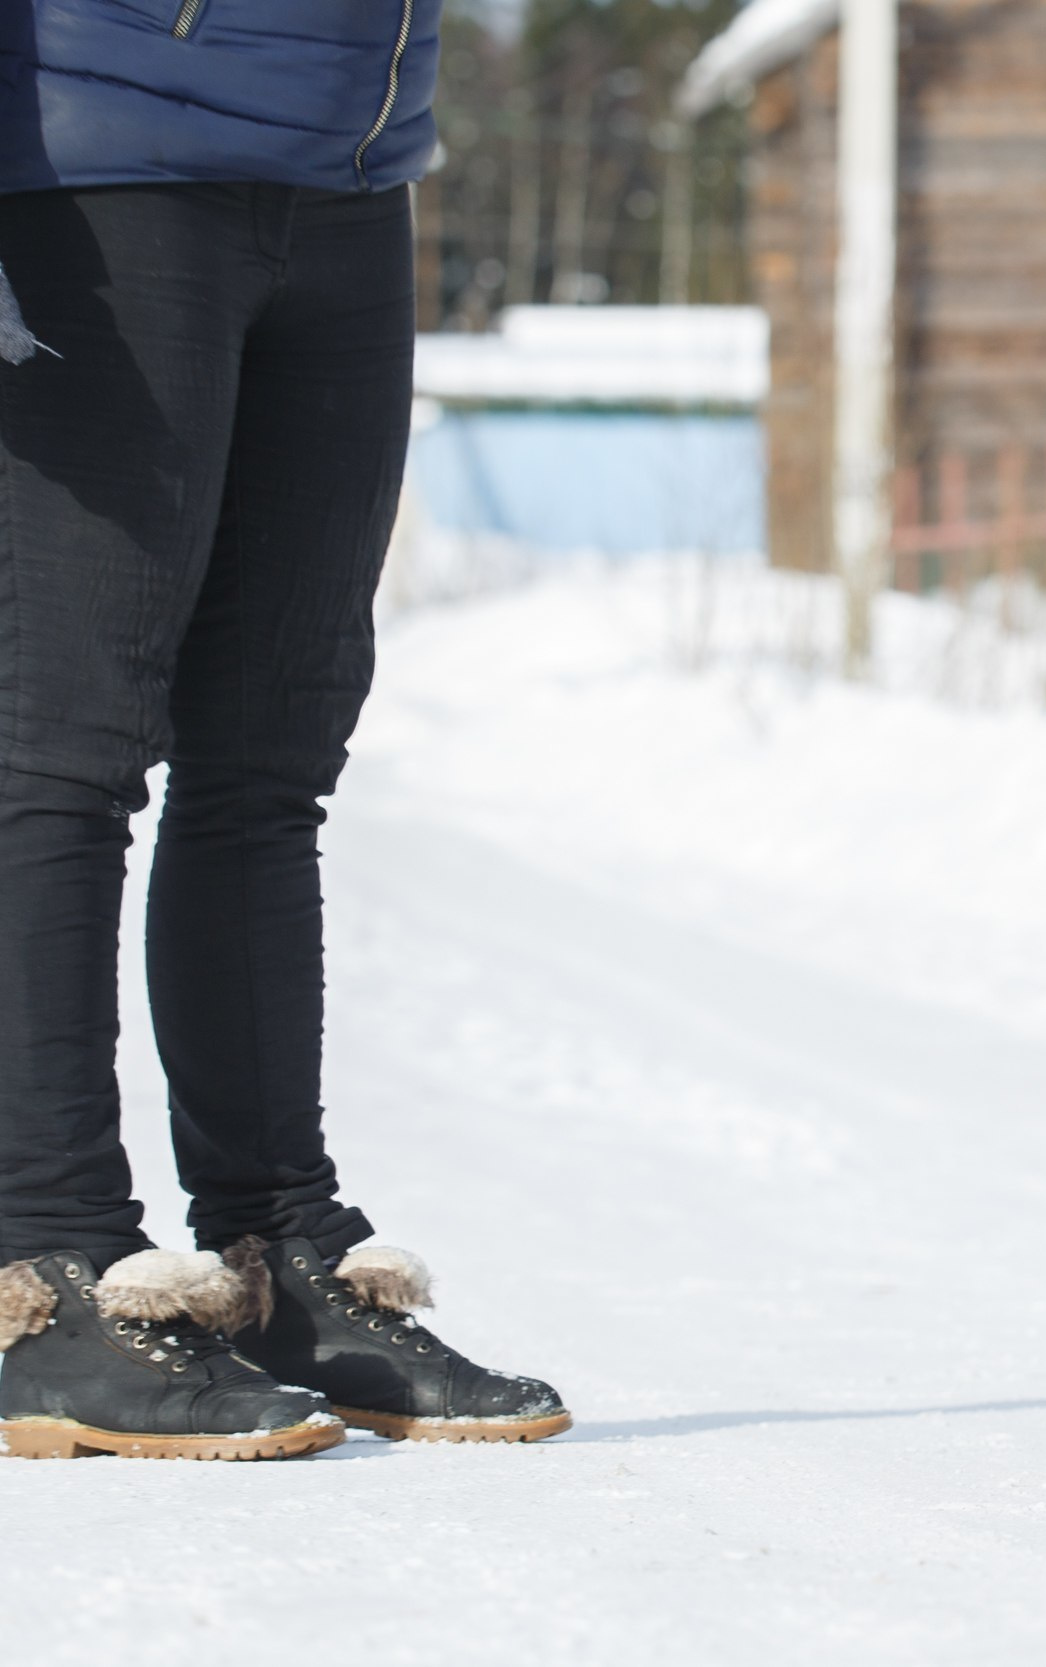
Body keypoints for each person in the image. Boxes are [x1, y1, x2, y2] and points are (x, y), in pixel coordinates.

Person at [0, 1, 567, 1459]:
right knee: (64, 748)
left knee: (265, 764)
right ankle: (41, 1269)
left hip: (347, 179)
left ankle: (271, 1258)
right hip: (87, 166)